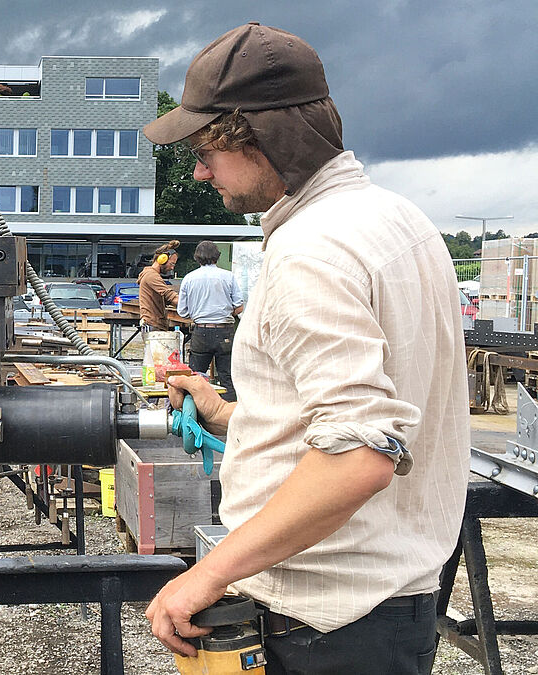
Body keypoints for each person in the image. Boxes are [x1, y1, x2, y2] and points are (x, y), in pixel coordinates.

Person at [141, 22, 468, 674]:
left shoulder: (312, 248)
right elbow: (370, 423)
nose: (202, 171)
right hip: (380, 617)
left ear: (261, 137)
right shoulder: (401, 222)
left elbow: (359, 457)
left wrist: (207, 575)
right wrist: (222, 410)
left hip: (328, 628)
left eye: (208, 150)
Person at [177, 241, 243, 402]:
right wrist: (226, 313)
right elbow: (239, 306)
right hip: (225, 331)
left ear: (197, 258)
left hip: (201, 331)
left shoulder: (189, 278)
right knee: (227, 377)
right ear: (217, 257)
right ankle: (228, 416)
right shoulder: (228, 276)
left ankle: (194, 415)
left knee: (195, 377)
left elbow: (182, 311)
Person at [137, 240, 180, 330]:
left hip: (154, 324)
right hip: (153, 325)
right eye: (172, 264)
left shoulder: (151, 275)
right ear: (162, 259)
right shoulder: (151, 276)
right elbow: (170, 295)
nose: (172, 268)